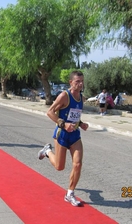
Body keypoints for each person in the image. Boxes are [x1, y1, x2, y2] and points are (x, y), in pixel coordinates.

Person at [38, 71, 89, 207]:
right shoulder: (64, 96)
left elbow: (74, 116)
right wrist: (63, 124)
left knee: (77, 164)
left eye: (82, 81)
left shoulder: (81, 97)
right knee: (60, 167)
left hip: (75, 136)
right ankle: (47, 151)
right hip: (62, 134)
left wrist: (81, 124)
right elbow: (50, 112)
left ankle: (70, 194)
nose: (80, 84)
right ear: (70, 82)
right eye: (77, 81)